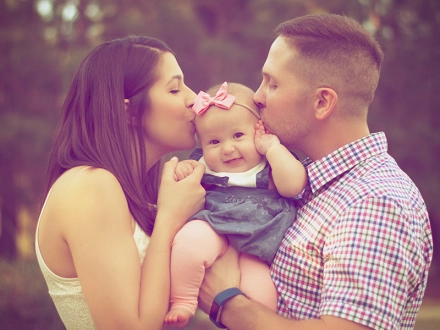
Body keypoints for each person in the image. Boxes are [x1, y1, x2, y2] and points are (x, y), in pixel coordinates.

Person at [197, 14, 434, 330]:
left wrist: (227, 303)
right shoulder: (305, 180)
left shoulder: (375, 202)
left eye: (273, 83)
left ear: (322, 102)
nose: (257, 96)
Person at [35, 36, 206, 330]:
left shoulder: (134, 191)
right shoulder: (90, 186)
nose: (194, 98)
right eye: (175, 89)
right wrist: (168, 218)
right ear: (128, 111)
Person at [164, 82, 307, 327]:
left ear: (260, 130)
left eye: (238, 136)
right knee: (188, 244)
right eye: (214, 142)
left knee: (262, 298)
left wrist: (272, 147)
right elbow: (184, 188)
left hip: (258, 247)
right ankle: (183, 300)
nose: (228, 149)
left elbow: (294, 186)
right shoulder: (202, 164)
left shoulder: (271, 160)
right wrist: (183, 170)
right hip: (215, 226)